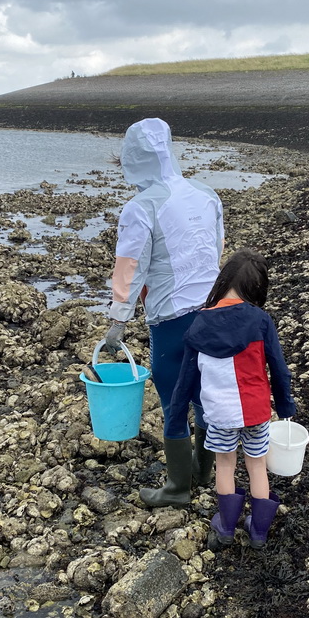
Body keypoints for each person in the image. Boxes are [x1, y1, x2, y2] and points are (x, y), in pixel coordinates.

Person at [105, 117, 225, 506]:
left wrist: (118, 319)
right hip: (215, 310)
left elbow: (130, 265)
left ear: (133, 159)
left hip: (172, 318)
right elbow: (215, 248)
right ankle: (203, 471)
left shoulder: (141, 207)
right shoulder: (207, 194)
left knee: (174, 399)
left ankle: (176, 489)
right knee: (206, 393)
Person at [166, 248, 296, 548]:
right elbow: (278, 368)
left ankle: (225, 527)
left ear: (223, 282)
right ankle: (259, 532)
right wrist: (286, 405)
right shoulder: (261, 320)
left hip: (220, 413)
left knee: (224, 465)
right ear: (256, 288)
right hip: (256, 411)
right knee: (257, 465)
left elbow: (186, 378)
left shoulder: (199, 323)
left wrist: (175, 414)